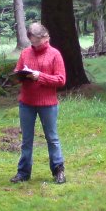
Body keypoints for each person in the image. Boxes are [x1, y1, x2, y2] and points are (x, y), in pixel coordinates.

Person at [10, 23, 67, 184]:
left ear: (45, 37)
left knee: (52, 138)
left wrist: (39, 76)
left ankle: (58, 170)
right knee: (26, 140)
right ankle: (23, 172)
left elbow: (61, 80)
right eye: (32, 41)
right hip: (26, 103)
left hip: (48, 104)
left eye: (38, 41)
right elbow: (17, 71)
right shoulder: (25, 53)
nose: (35, 44)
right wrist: (19, 75)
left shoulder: (55, 54)